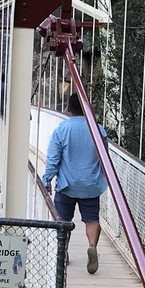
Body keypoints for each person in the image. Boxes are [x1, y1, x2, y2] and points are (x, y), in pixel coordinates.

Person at [42, 93, 108, 274]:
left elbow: (53, 160)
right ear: (88, 108)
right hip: (90, 185)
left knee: (63, 222)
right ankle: (92, 247)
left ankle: (63, 253)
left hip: (66, 186)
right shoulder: (98, 130)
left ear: (69, 108)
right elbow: (105, 160)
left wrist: (47, 179)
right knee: (92, 220)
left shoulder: (61, 130)